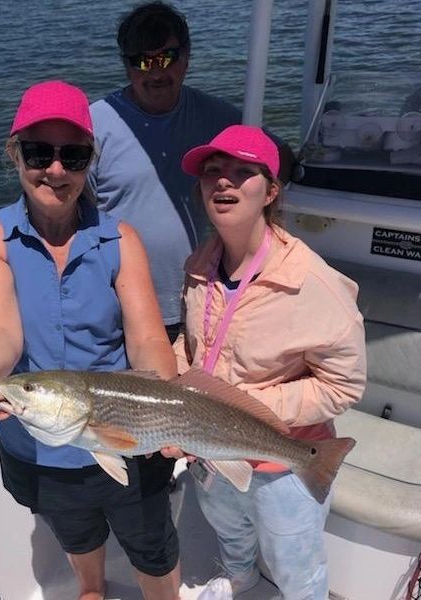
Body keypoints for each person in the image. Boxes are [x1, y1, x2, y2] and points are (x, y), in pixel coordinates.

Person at [0, 80, 180, 600]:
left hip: (126, 432)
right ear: (15, 154)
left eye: (74, 155)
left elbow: (148, 341)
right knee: (74, 530)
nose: (56, 170)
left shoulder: (120, 239)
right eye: (40, 153)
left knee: (150, 541)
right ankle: (91, 588)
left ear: (91, 161)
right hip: (38, 440)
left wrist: (170, 406)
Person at [165, 125, 366, 599]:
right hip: (212, 453)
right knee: (231, 537)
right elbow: (190, 346)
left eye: (242, 172)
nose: (224, 182)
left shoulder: (314, 282)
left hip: (283, 465)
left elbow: (343, 387)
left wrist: (242, 405)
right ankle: (242, 583)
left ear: (271, 190)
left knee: (296, 566)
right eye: (212, 172)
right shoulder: (199, 263)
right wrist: (175, 394)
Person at [88, 1, 294, 343]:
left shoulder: (216, 116)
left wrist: (259, 217)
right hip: (118, 305)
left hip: (201, 300)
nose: (155, 73)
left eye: (166, 57)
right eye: (141, 61)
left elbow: (279, 156)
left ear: (187, 56)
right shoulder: (95, 125)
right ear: (126, 67)